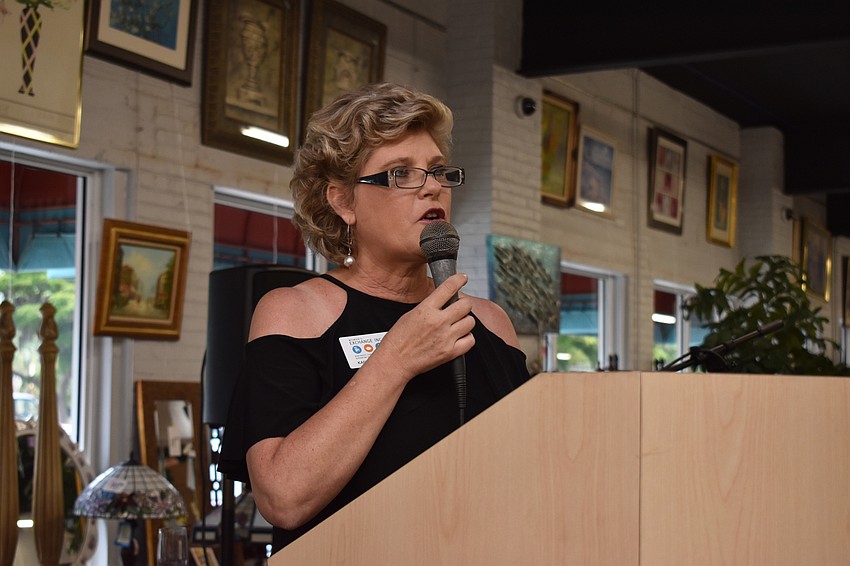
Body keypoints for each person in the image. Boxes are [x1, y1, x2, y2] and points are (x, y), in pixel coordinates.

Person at [218, 82, 531, 552]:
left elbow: (526, 478)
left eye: (438, 171)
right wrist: (395, 360)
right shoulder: (298, 312)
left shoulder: (491, 323)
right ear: (344, 201)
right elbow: (283, 498)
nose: (431, 186)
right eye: (400, 173)